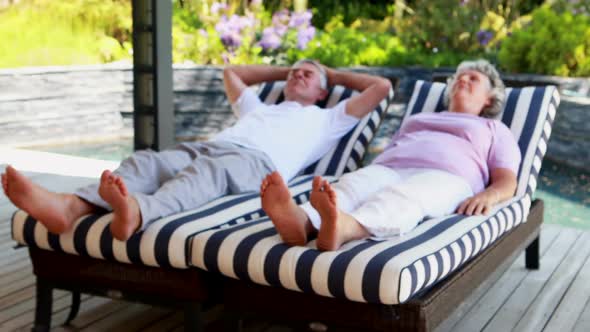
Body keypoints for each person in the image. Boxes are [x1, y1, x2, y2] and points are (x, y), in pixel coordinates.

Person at [1, 60, 391, 241]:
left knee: (202, 178)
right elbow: (232, 73)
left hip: (255, 165)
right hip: (213, 146)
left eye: (306, 76)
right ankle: (68, 207)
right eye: (294, 73)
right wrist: (286, 69)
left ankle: (137, 211)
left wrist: (328, 72)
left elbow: (381, 88)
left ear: (322, 92)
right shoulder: (260, 107)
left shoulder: (328, 118)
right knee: (147, 161)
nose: (297, 76)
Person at [260, 59, 521, 251]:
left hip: (448, 176)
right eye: (458, 78)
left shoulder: (494, 128)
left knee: (405, 197)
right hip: (392, 167)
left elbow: (508, 180)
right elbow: (392, 149)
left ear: (489, 98)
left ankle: (346, 227)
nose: (462, 80)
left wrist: (489, 195)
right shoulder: (419, 118)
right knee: (353, 186)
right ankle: (300, 221)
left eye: (472, 79)